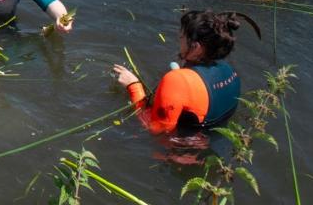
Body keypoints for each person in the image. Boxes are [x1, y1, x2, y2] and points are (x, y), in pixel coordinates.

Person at [112, 10, 261, 134]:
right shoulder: (230, 71)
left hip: (182, 151)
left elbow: (156, 129)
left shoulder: (177, 80)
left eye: (182, 38)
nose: (179, 42)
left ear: (196, 47)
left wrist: (133, 86)